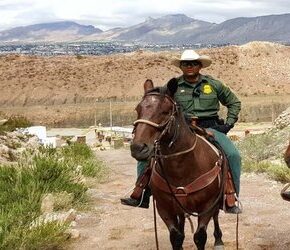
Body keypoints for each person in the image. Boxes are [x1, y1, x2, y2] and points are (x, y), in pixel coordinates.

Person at [121, 49, 242, 214]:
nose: (190, 66)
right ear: (181, 66)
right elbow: (157, 105)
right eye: (186, 63)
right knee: (148, 152)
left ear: (200, 65)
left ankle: (230, 197)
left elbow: (234, 102)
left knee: (233, 155)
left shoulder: (214, 84)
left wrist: (228, 124)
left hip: (210, 127)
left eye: (193, 63)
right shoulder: (172, 87)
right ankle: (141, 194)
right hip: (181, 128)